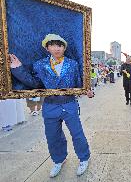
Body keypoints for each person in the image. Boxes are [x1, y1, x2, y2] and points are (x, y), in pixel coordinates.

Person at [10, 34, 93, 178]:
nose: (57, 48)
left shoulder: (72, 64)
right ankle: (58, 160)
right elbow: (34, 83)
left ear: (64, 48)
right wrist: (18, 69)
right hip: (50, 106)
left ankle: (84, 158)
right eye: (53, 45)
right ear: (47, 47)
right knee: (53, 136)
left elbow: (79, 84)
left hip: (69, 104)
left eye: (60, 45)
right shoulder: (40, 64)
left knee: (77, 133)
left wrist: (87, 91)